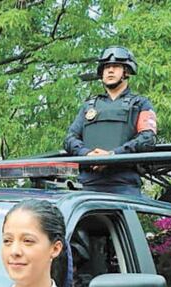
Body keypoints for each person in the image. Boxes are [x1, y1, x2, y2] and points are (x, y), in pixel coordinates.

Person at [63, 46, 157, 195]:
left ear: (126, 71)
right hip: (87, 185)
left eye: (115, 66)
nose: (110, 70)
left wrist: (113, 156)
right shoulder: (88, 106)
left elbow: (147, 139)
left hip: (124, 185)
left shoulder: (140, 104)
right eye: (106, 67)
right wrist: (87, 155)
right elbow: (70, 139)